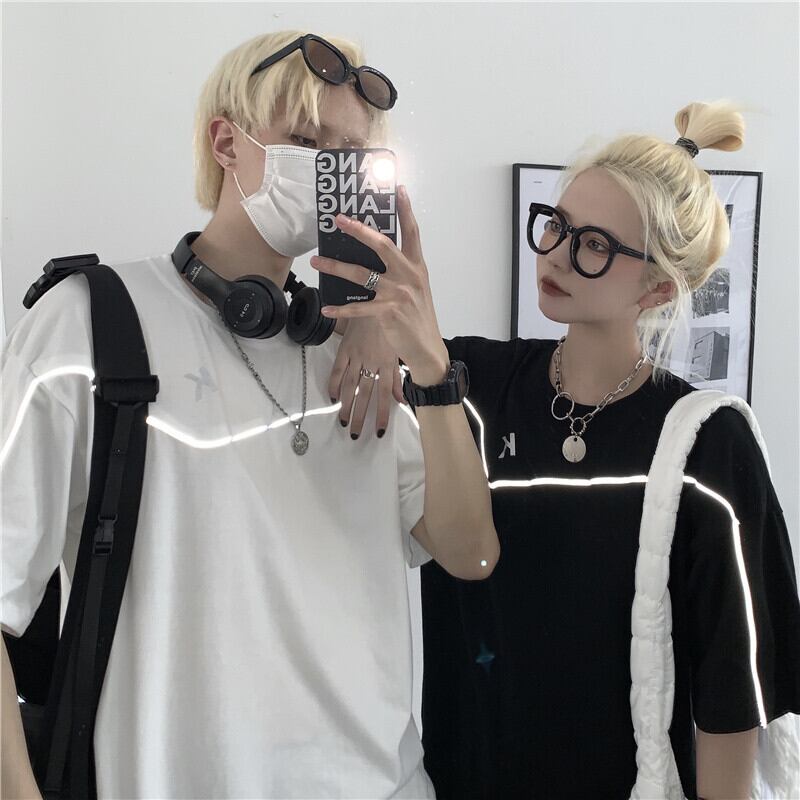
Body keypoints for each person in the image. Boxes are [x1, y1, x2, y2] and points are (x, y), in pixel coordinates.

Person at [0, 30, 499, 799]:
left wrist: (431, 368)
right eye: (306, 140)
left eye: (350, 153)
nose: (328, 167)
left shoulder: (363, 361)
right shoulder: (86, 326)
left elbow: (470, 555)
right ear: (226, 143)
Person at [329, 100, 800, 799]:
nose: (556, 254)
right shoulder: (465, 385)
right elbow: (344, 372)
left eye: (596, 245)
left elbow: (733, 689)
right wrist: (373, 321)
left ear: (658, 287)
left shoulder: (706, 442)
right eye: (557, 225)